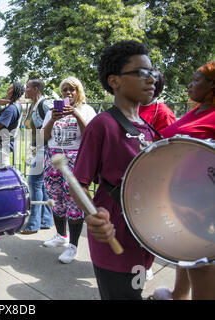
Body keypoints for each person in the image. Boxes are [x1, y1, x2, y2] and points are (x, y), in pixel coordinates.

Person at [73, 40, 159, 300]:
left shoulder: (148, 129)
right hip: (114, 240)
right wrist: (92, 214)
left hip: (145, 238)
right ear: (114, 81)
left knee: (136, 291)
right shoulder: (103, 124)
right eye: (142, 73)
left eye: (152, 73)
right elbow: (78, 181)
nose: (151, 80)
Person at [151, 60, 214, 300]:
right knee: (184, 252)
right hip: (180, 198)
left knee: (200, 262)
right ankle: (178, 294)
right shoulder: (196, 111)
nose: (190, 84)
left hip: (205, 203)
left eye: (197, 80)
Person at [41, 76, 96, 263]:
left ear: (78, 91)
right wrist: (52, 119)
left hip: (75, 161)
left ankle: (73, 246)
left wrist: (75, 114)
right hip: (53, 159)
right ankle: (60, 235)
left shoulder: (87, 110)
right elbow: (44, 137)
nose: (68, 93)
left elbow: (91, 134)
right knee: (56, 200)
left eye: (72, 89)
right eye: (65, 89)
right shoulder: (51, 111)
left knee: (73, 202)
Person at [20, 79, 53, 234]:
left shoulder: (44, 104)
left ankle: (33, 224)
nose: (25, 89)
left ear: (36, 88)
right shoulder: (33, 105)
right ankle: (46, 220)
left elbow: (55, 123)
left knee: (33, 184)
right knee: (41, 185)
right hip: (38, 147)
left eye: (27, 87)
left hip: (45, 148)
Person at [0, 82, 25, 166]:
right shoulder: (17, 105)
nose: (7, 91)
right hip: (4, 144)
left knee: (1, 171)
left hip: (3, 146)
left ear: (15, 91)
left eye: (9, 89)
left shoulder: (11, 109)